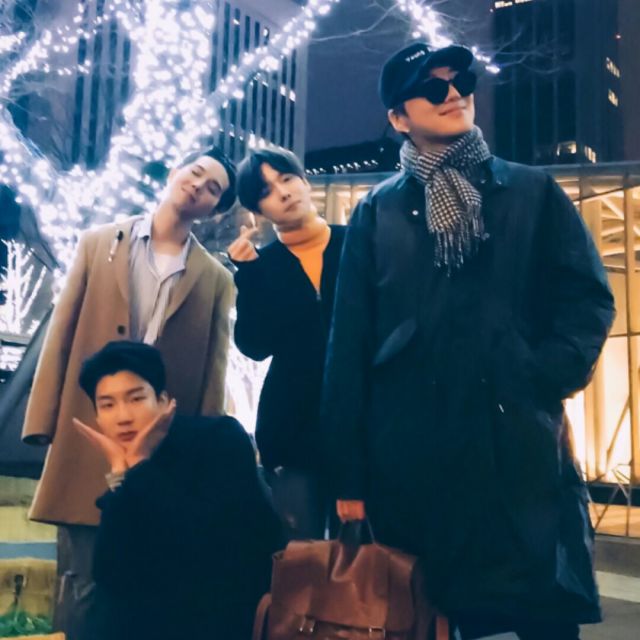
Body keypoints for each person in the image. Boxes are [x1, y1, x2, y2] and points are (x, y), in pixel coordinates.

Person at [322, 42, 615, 640]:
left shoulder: (531, 192)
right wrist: (348, 477)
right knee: (429, 616)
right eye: (432, 88)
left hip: (518, 450)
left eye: (462, 81)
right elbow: (349, 345)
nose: (453, 94)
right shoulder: (378, 213)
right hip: (412, 458)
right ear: (398, 117)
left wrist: (540, 374)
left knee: (543, 611)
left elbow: (586, 298)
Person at [21, 147, 237, 639]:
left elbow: (214, 369)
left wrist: (201, 449)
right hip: (90, 431)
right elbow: (60, 334)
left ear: (215, 210)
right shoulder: (99, 244)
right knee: (80, 579)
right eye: (196, 173)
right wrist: (42, 420)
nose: (199, 187)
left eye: (213, 189)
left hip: (162, 451)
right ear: (175, 171)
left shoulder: (216, 279)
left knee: (152, 579)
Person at [72, 341, 284, 640]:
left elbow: (208, 546)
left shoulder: (220, 438)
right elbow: (109, 574)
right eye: (108, 405)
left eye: (136, 399)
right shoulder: (124, 459)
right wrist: (120, 474)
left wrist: (139, 468)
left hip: (222, 610)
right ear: (97, 418)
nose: (123, 417)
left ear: (163, 401)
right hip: (154, 615)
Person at [228, 147, 346, 539]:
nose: (282, 192)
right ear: (258, 210)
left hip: (359, 425)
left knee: (364, 558)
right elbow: (254, 345)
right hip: (291, 429)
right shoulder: (263, 265)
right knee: (299, 557)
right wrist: (248, 276)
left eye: (286, 178)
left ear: (305, 181)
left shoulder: (356, 243)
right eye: (266, 191)